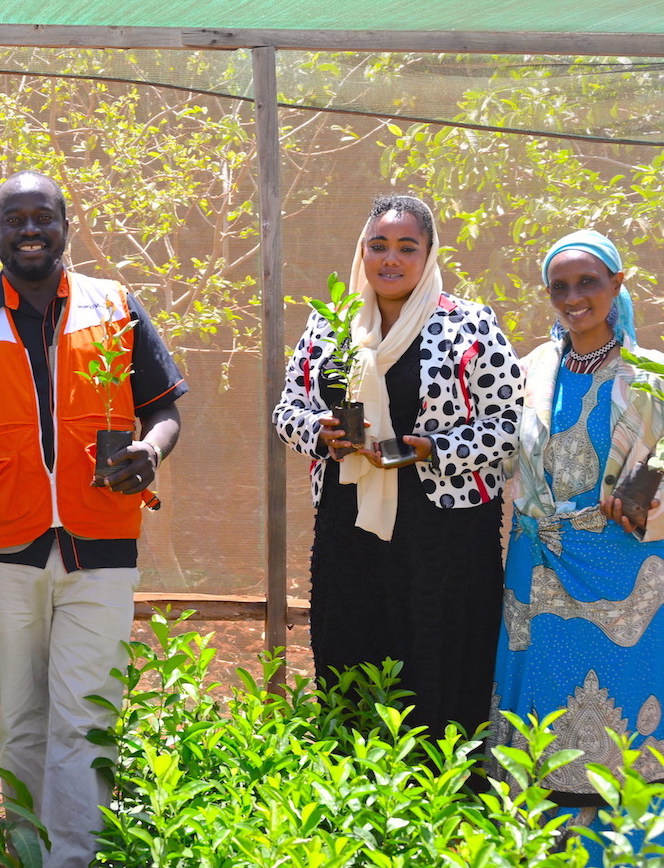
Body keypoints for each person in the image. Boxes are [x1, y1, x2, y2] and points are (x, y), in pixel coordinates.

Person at [0, 170, 186, 868]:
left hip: (103, 543)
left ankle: (75, 858)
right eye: (14, 220)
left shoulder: (116, 306)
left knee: (86, 711)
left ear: (67, 224)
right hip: (7, 548)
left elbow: (165, 410)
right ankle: (25, 851)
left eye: (43, 218)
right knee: (23, 715)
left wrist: (151, 451)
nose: (30, 231)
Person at [272, 194, 523, 737]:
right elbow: (286, 409)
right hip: (350, 526)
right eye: (379, 245)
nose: (391, 259)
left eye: (407, 247)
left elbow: (510, 425)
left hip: (446, 531)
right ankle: (356, 797)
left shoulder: (469, 326)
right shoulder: (331, 326)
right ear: (362, 251)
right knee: (350, 648)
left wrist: (435, 450)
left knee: (441, 655)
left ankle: (445, 799)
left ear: (429, 254)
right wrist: (320, 432)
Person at [490, 230, 664, 862]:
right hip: (537, 571)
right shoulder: (532, 367)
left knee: (620, 723)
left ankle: (625, 853)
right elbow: (501, 450)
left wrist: (649, 493)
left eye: (588, 282)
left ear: (618, 285)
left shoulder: (652, 379)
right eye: (559, 287)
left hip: (624, 580)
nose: (573, 297)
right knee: (540, 719)